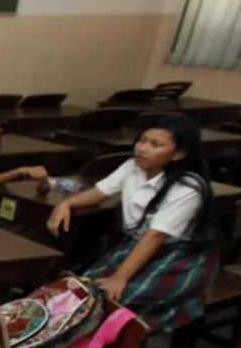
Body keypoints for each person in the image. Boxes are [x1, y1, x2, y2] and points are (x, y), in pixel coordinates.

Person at [47, 116, 219, 332]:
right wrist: (67, 203)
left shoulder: (188, 188)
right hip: (136, 246)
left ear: (179, 154)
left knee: (112, 303)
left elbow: (155, 236)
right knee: (80, 291)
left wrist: (120, 278)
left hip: (178, 256)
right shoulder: (132, 167)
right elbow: (100, 193)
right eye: (142, 141)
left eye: (156, 145)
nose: (143, 149)